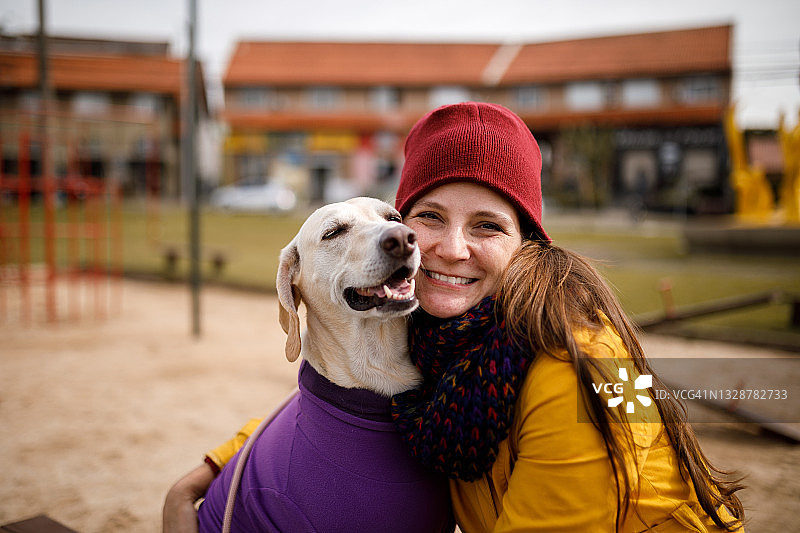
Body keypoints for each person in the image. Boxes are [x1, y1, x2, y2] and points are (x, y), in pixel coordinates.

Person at [164, 102, 744, 532]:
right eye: (430, 217)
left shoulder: (578, 374)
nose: (452, 249)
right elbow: (341, 391)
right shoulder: (443, 332)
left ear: (529, 243)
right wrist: (216, 466)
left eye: (488, 225)